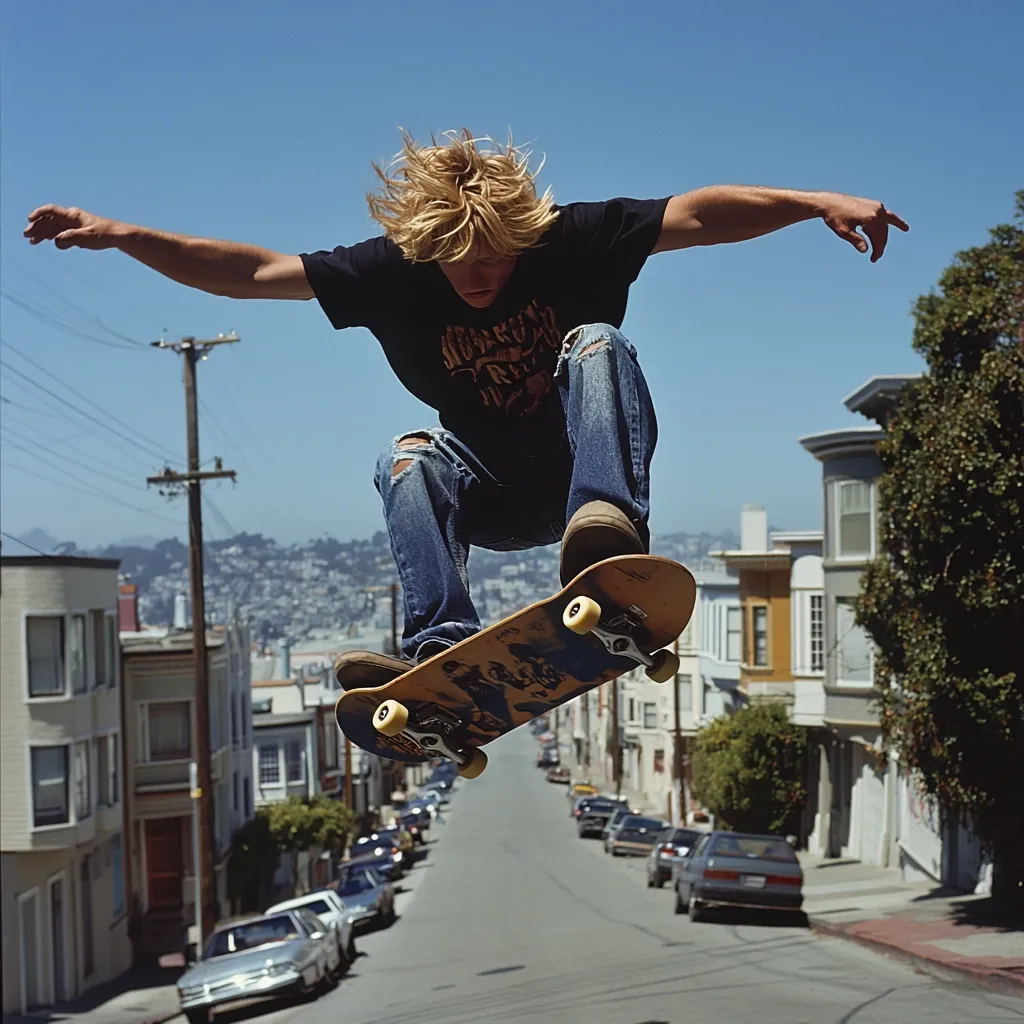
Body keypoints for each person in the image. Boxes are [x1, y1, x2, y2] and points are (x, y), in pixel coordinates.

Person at [24, 128, 908, 689]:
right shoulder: (389, 271)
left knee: (594, 339)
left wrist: (813, 202)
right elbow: (253, 273)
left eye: (499, 255)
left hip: (581, 472)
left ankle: (606, 527)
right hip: (490, 491)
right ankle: (443, 645)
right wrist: (122, 235)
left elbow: (700, 216)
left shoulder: (570, 238)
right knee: (406, 452)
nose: (482, 274)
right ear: (426, 248)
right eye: (460, 260)